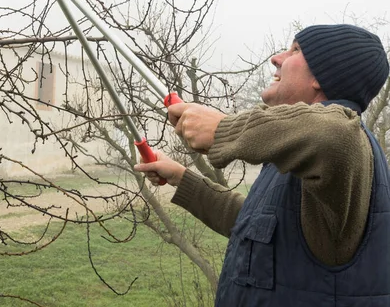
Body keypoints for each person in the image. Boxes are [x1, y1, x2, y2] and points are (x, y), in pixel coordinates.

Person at [135, 24, 390, 306]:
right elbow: (256, 226)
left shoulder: (346, 146)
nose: (276, 58)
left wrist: (225, 130)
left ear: (322, 75)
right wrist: (181, 178)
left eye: (295, 50)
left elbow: (336, 133)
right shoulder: (299, 156)